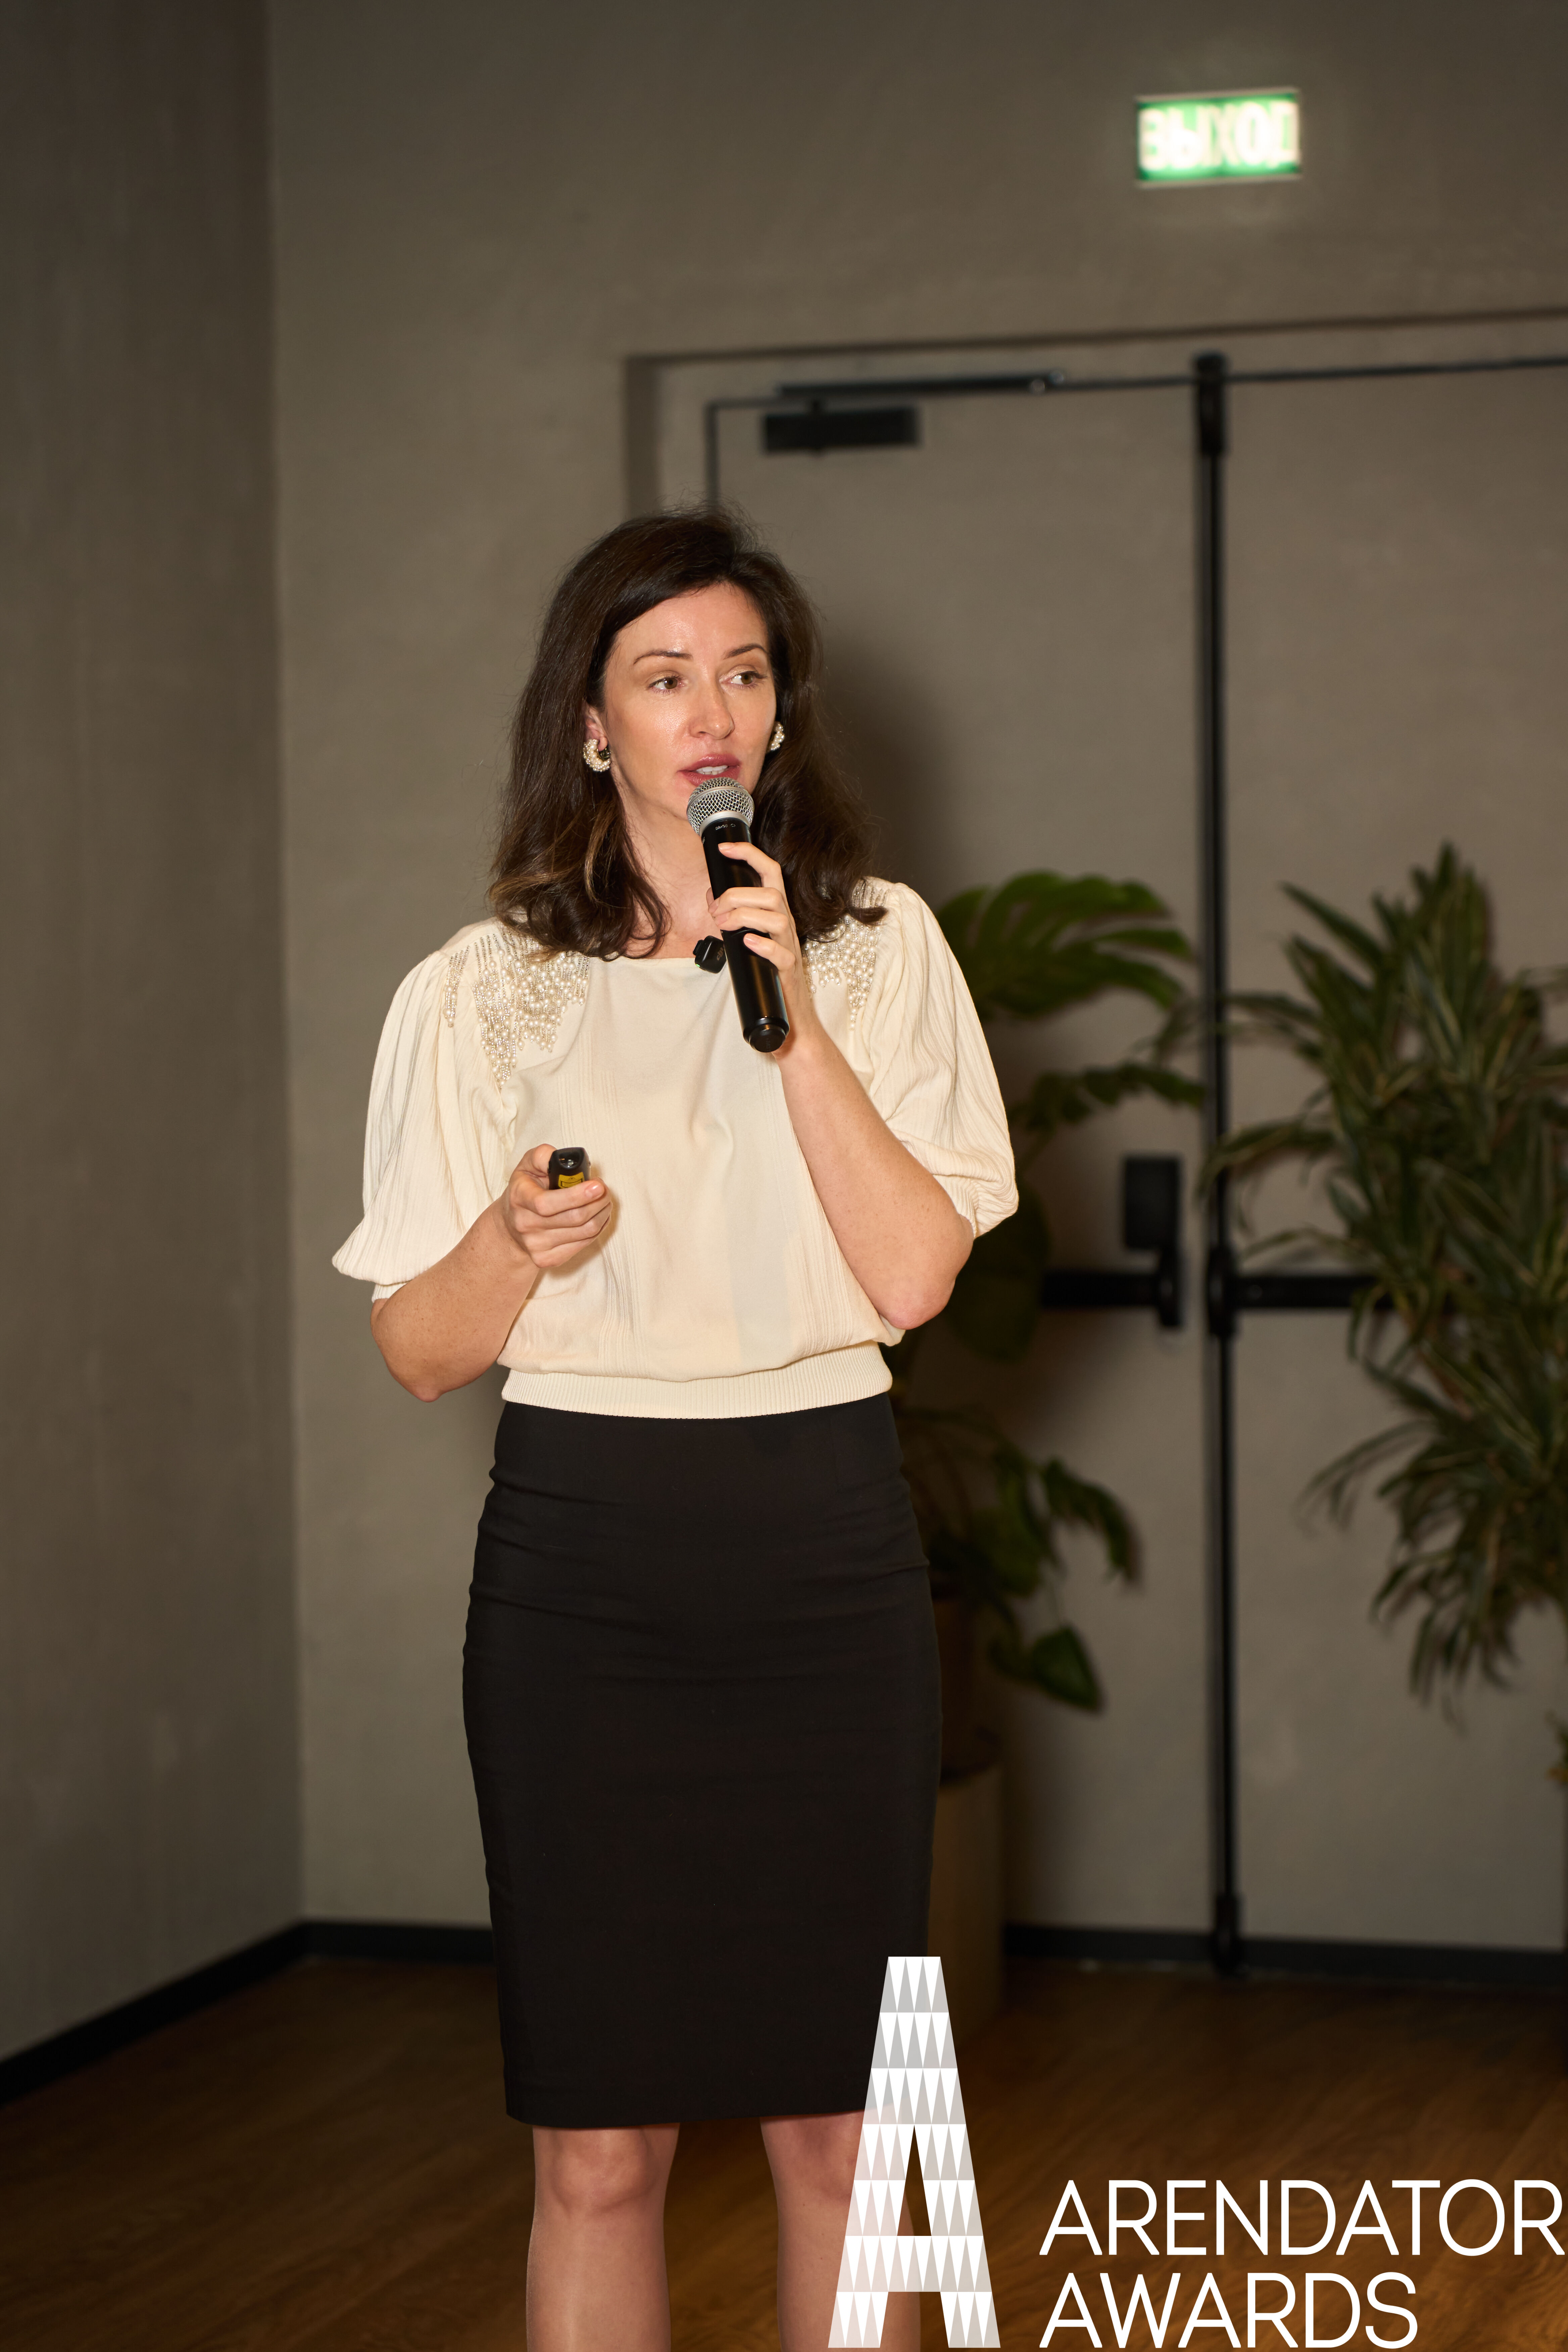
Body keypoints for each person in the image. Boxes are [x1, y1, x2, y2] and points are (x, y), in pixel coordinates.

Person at [334, 510, 1016, 2352]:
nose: (709, 710)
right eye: (662, 676)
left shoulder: (881, 952)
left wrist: (792, 1027)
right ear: (590, 724)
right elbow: (417, 1351)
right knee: (599, 2149)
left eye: (742, 672)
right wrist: (511, 1242)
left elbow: (916, 1278)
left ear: (782, 713)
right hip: (584, 1574)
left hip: (825, 1555)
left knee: (845, 2129)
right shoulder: (480, 992)